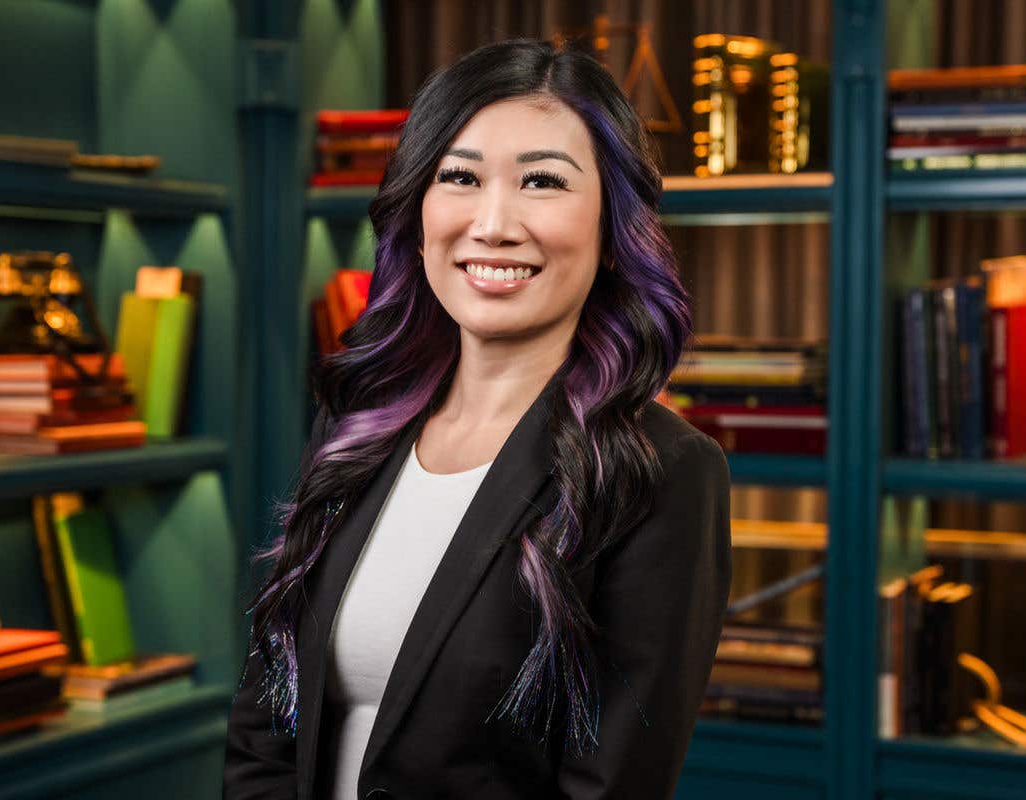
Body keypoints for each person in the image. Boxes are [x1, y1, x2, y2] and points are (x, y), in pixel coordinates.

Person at [224, 37, 732, 800]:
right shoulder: (358, 429)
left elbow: (610, 786)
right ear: (419, 210)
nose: (493, 224)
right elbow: (266, 725)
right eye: (459, 176)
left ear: (612, 227)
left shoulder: (661, 472)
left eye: (542, 182)